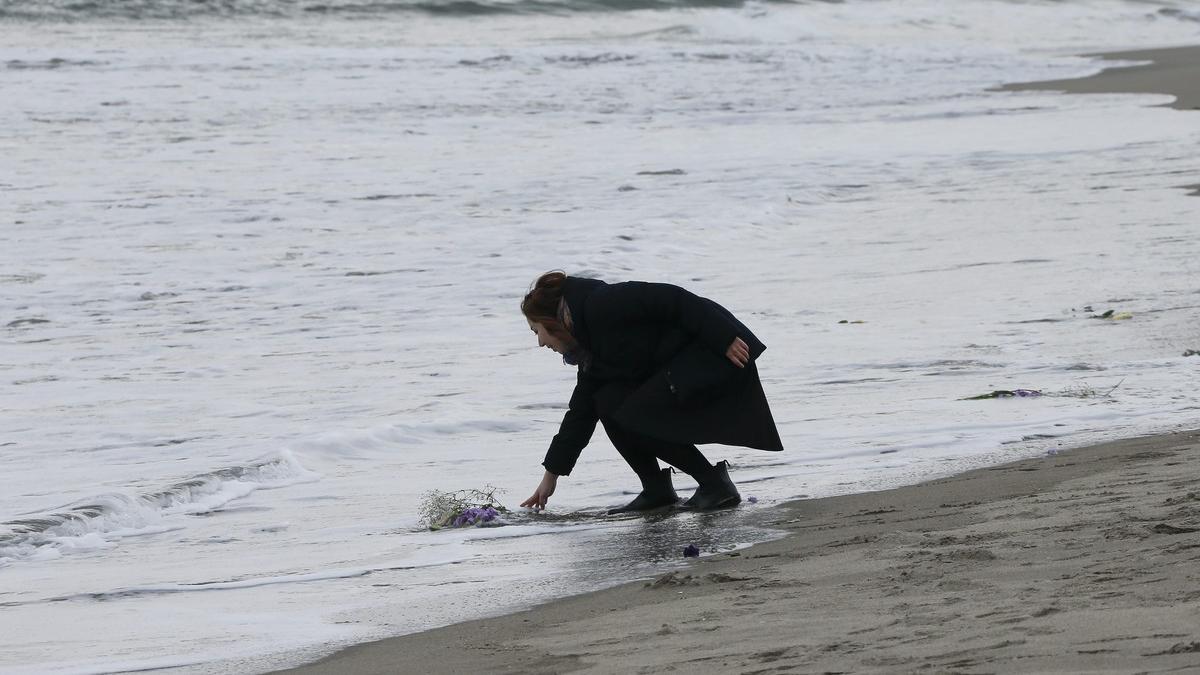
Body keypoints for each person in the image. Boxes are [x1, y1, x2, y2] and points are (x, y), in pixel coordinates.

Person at [518, 271, 783, 514]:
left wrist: (723, 337)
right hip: (680, 367)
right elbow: (580, 413)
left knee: (634, 412)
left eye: (536, 331)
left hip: (715, 352)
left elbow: (674, 299)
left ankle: (714, 484)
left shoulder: (601, 304)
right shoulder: (591, 351)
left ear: (550, 321)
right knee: (606, 402)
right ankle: (656, 490)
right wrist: (551, 476)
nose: (540, 342)